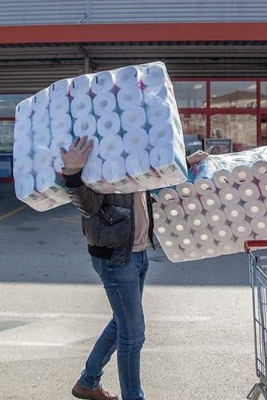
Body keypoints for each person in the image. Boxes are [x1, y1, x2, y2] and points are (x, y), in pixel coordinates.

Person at [59, 136, 207, 400]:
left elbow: (151, 177)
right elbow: (88, 206)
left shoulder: (131, 152)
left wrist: (184, 162)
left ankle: (88, 382)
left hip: (136, 253)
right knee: (132, 334)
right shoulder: (101, 156)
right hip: (115, 256)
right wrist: (72, 172)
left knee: (122, 323)